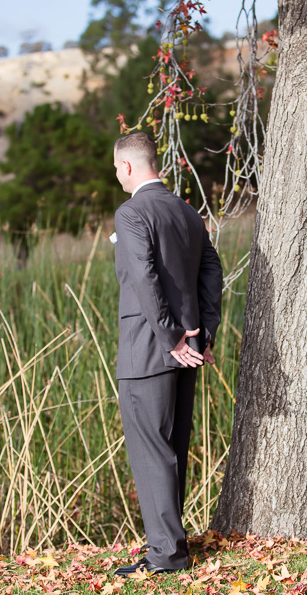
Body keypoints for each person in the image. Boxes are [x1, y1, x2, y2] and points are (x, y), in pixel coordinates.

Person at [110, 133, 223, 575]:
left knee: (151, 450)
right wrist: (204, 332)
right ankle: (169, 544)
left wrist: (170, 336)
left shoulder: (132, 212)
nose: (116, 174)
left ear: (129, 166)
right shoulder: (186, 212)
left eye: (117, 167)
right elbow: (212, 269)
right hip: (187, 349)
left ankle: (167, 555)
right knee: (171, 446)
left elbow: (144, 277)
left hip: (150, 347)